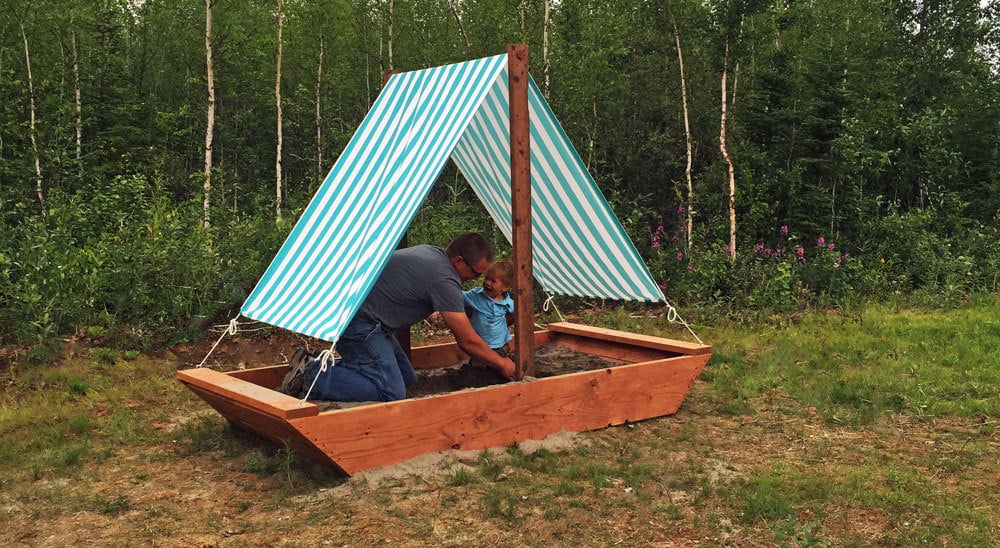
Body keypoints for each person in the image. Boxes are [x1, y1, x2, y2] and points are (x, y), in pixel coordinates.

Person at [281, 232, 516, 402]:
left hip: (370, 322)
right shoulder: (444, 279)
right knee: (391, 391)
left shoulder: (432, 253)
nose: (476, 280)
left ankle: (318, 365)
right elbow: (467, 341)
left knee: (405, 378)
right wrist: (502, 363)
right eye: (475, 273)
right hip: (358, 323)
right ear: (458, 261)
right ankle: (311, 375)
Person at [463, 259, 514, 363]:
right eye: (486, 278)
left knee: (499, 366)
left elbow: (519, 315)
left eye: (493, 281)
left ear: (504, 287)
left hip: (500, 345)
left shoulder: (508, 303)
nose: (487, 283)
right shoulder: (476, 296)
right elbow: (457, 296)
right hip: (479, 345)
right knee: (477, 368)